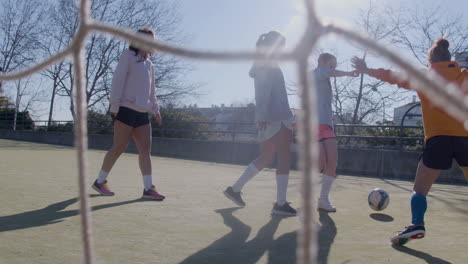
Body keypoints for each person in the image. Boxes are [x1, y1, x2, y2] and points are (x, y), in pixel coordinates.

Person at [351, 38, 468, 245]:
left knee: (419, 189)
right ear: (450, 59)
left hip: (438, 140)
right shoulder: (464, 76)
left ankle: (417, 224)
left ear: (430, 61)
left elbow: (393, 76)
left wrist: (367, 69)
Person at [224, 31, 297, 216]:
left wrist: (262, 116)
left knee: (266, 156)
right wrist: (264, 115)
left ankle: (235, 189)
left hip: (271, 117)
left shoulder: (263, 63)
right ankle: (280, 204)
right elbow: (263, 91)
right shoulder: (267, 64)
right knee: (284, 157)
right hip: (277, 117)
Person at [92, 27, 165, 200]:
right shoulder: (127, 57)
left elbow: (151, 91)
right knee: (118, 148)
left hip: (142, 113)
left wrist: (155, 110)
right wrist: (114, 107)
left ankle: (148, 189)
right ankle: (100, 181)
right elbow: (117, 81)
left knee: (145, 151)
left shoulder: (150, 65)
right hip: (125, 108)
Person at [313, 53, 359, 212]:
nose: (332, 69)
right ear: (321, 62)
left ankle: (323, 200)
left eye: (334, 66)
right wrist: (348, 73)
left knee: (333, 162)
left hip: (327, 125)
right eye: (331, 65)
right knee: (320, 163)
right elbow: (329, 72)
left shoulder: (324, 78)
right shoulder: (315, 74)